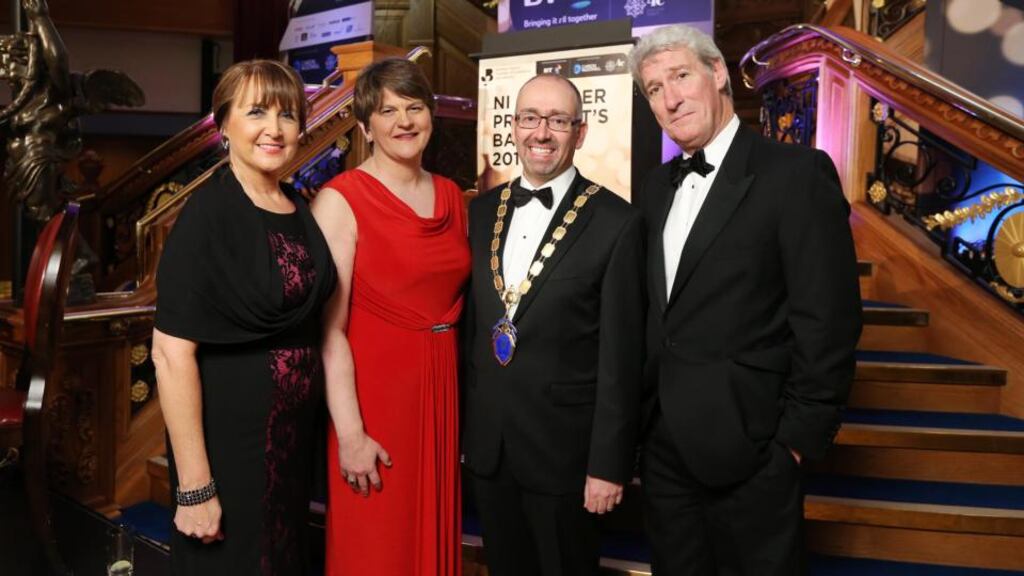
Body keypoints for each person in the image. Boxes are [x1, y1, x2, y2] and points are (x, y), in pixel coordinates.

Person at [629, 24, 863, 575]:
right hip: (664, 455)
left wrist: (794, 445)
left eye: (681, 76)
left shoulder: (795, 175)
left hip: (754, 454)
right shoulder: (655, 188)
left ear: (717, 75)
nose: (670, 97)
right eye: (655, 88)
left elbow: (828, 319)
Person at [152, 59, 337, 575]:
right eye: (256, 112)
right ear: (224, 122)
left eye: (288, 115)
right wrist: (195, 486)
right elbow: (170, 353)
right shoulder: (206, 215)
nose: (274, 129)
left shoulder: (298, 205)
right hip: (230, 447)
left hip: (291, 446)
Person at [462, 73, 645, 576]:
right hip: (490, 449)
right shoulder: (480, 213)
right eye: (530, 119)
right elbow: (473, 328)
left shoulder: (617, 222)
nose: (542, 133)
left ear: (580, 132)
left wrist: (608, 465)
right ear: (513, 126)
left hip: (566, 457)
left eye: (558, 121)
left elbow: (621, 358)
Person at [311, 58, 470, 576]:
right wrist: (351, 435)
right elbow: (329, 331)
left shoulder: (451, 195)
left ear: (430, 116)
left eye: (414, 107)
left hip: (438, 394)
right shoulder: (341, 200)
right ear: (365, 127)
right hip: (374, 404)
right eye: (388, 111)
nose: (404, 121)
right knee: (376, 547)